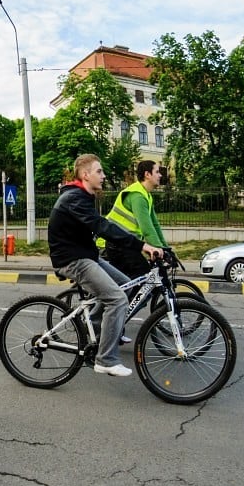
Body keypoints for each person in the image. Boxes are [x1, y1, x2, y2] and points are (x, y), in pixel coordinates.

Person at [48, 154, 162, 378]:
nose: (104, 175)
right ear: (85, 174)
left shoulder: (85, 196)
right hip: (72, 259)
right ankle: (105, 359)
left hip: (86, 255)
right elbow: (102, 227)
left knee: (126, 286)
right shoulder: (75, 198)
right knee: (117, 299)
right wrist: (141, 245)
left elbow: (101, 225)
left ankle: (96, 328)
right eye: (99, 171)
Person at [99, 160, 168, 279]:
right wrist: (158, 248)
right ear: (147, 174)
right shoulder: (137, 196)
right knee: (144, 275)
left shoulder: (145, 194)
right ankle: (121, 298)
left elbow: (154, 225)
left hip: (127, 244)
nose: (160, 175)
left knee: (140, 279)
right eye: (157, 172)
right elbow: (147, 229)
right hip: (116, 244)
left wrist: (165, 248)